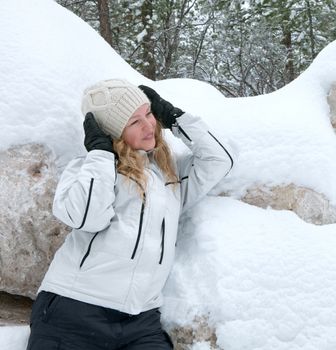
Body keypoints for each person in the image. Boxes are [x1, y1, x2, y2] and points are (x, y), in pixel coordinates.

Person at [26, 79, 234, 349]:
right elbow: (87, 217)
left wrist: (174, 117)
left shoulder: (168, 175)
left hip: (140, 320)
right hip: (73, 310)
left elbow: (219, 159)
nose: (149, 126)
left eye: (149, 113)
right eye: (134, 121)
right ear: (114, 132)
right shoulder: (87, 169)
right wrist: (101, 154)